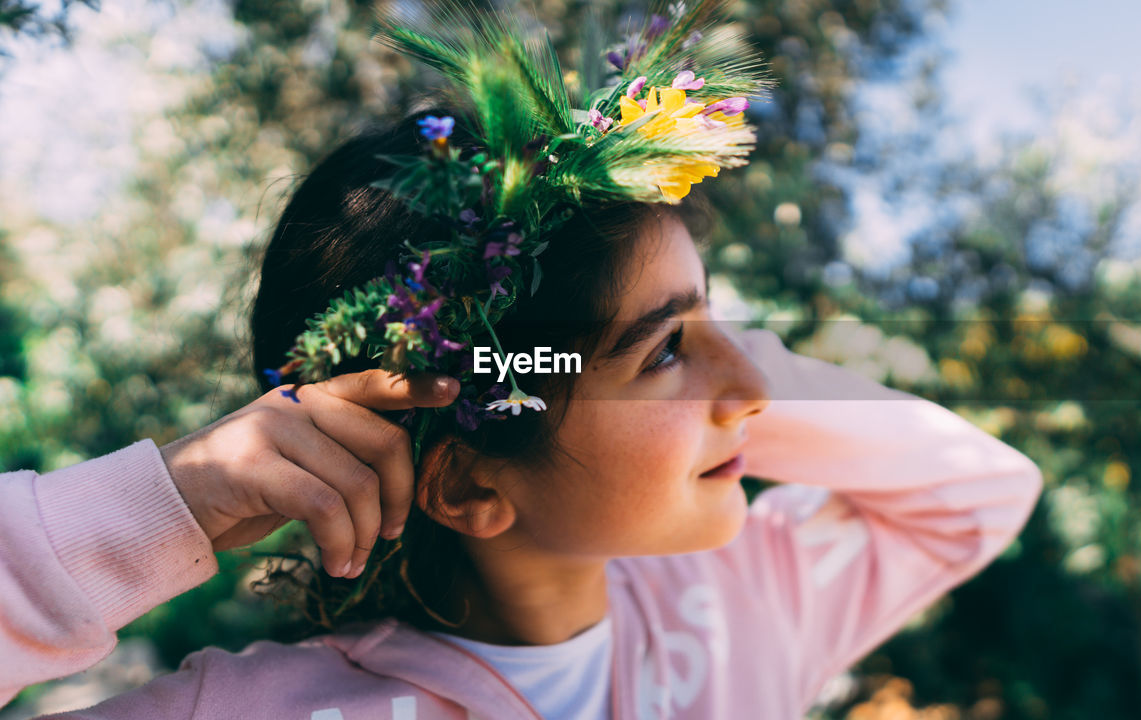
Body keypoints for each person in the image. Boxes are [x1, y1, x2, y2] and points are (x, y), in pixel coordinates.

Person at [0, 3, 1045, 718]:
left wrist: (693, 363)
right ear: (466, 482)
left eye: (723, 326)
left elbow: (978, 488)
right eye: (669, 350)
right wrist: (154, 510)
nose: (758, 390)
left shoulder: (743, 605)